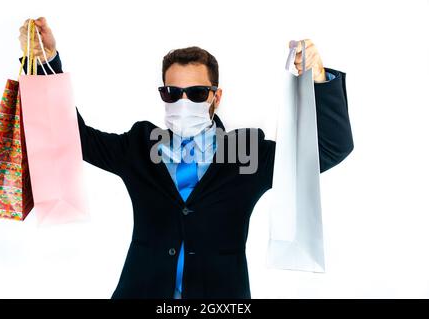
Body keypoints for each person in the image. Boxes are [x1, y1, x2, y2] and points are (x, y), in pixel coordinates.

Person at [18, 17, 354, 299]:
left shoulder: (248, 152)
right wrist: (46, 62)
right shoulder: (139, 145)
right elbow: (76, 139)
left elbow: (328, 150)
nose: (183, 102)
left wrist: (319, 78)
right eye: (172, 93)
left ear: (215, 97)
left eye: (195, 93)